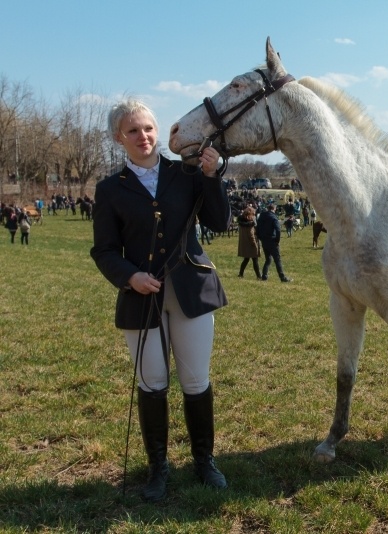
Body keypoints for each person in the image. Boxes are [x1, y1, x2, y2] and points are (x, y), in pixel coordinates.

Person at [90, 98, 231, 502]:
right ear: (120, 137)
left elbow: (219, 222)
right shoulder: (109, 189)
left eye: (148, 127)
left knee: (196, 381)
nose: (143, 136)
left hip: (191, 293)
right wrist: (129, 276)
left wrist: (211, 176)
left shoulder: (186, 173)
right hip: (141, 298)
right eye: (133, 130)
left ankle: (205, 462)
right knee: (153, 383)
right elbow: (103, 251)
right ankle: (158, 468)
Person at [256, 203, 292, 282]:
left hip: (264, 240)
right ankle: (282, 277)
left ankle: (264, 275)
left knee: (268, 259)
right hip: (272, 240)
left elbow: (257, 227)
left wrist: (259, 237)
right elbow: (278, 229)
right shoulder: (273, 217)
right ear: (274, 209)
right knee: (277, 259)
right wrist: (277, 240)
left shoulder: (261, 216)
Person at [237, 206, 261, 279]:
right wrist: (254, 244)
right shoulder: (250, 224)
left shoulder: (241, 224)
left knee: (246, 259)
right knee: (255, 260)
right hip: (250, 244)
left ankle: (241, 273)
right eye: (253, 214)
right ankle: (259, 276)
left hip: (244, 244)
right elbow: (251, 235)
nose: (254, 216)